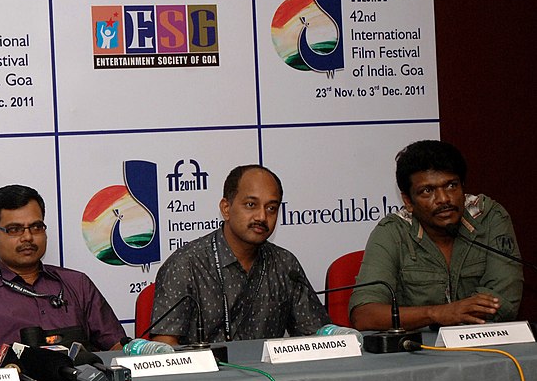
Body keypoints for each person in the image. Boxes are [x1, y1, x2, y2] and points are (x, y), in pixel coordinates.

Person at [0, 184, 126, 366]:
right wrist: (6, 377)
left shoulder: (77, 283)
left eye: (36, 227)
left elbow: (116, 345)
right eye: (14, 229)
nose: (27, 237)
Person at [350, 140, 522, 330]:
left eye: (451, 186)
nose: (443, 199)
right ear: (408, 201)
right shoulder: (394, 231)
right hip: (418, 353)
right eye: (427, 191)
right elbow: (364, 315)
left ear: (463, 187)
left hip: (486, 345)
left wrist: (454, 315)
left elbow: (504, 302)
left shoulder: (489, 218)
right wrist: (437, 314)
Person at [150, 165, 329, 344]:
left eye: (271, 208)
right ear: (226, 209)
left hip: (271, 372)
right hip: (205, 371)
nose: (261, 217)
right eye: (251, 205)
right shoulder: (185, 265)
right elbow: (166, 349)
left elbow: (317, 338)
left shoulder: (285, 264)